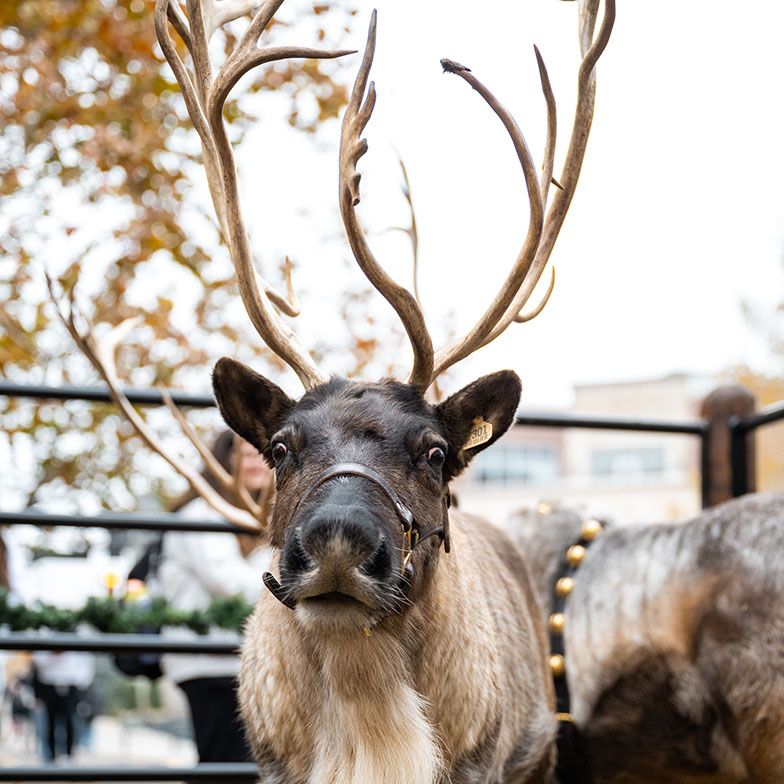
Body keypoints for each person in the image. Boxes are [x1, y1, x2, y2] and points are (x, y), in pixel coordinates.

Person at [159, 430, 273, 766]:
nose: (257, 463)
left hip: (250, 662)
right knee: (226, 763)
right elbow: (228, 581)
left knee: (246, 765)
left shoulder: (271, 517)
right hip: (209, 663)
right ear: (226, 460)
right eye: (246, 454)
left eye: (264, 454)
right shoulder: (200, 516)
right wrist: (291, 580)